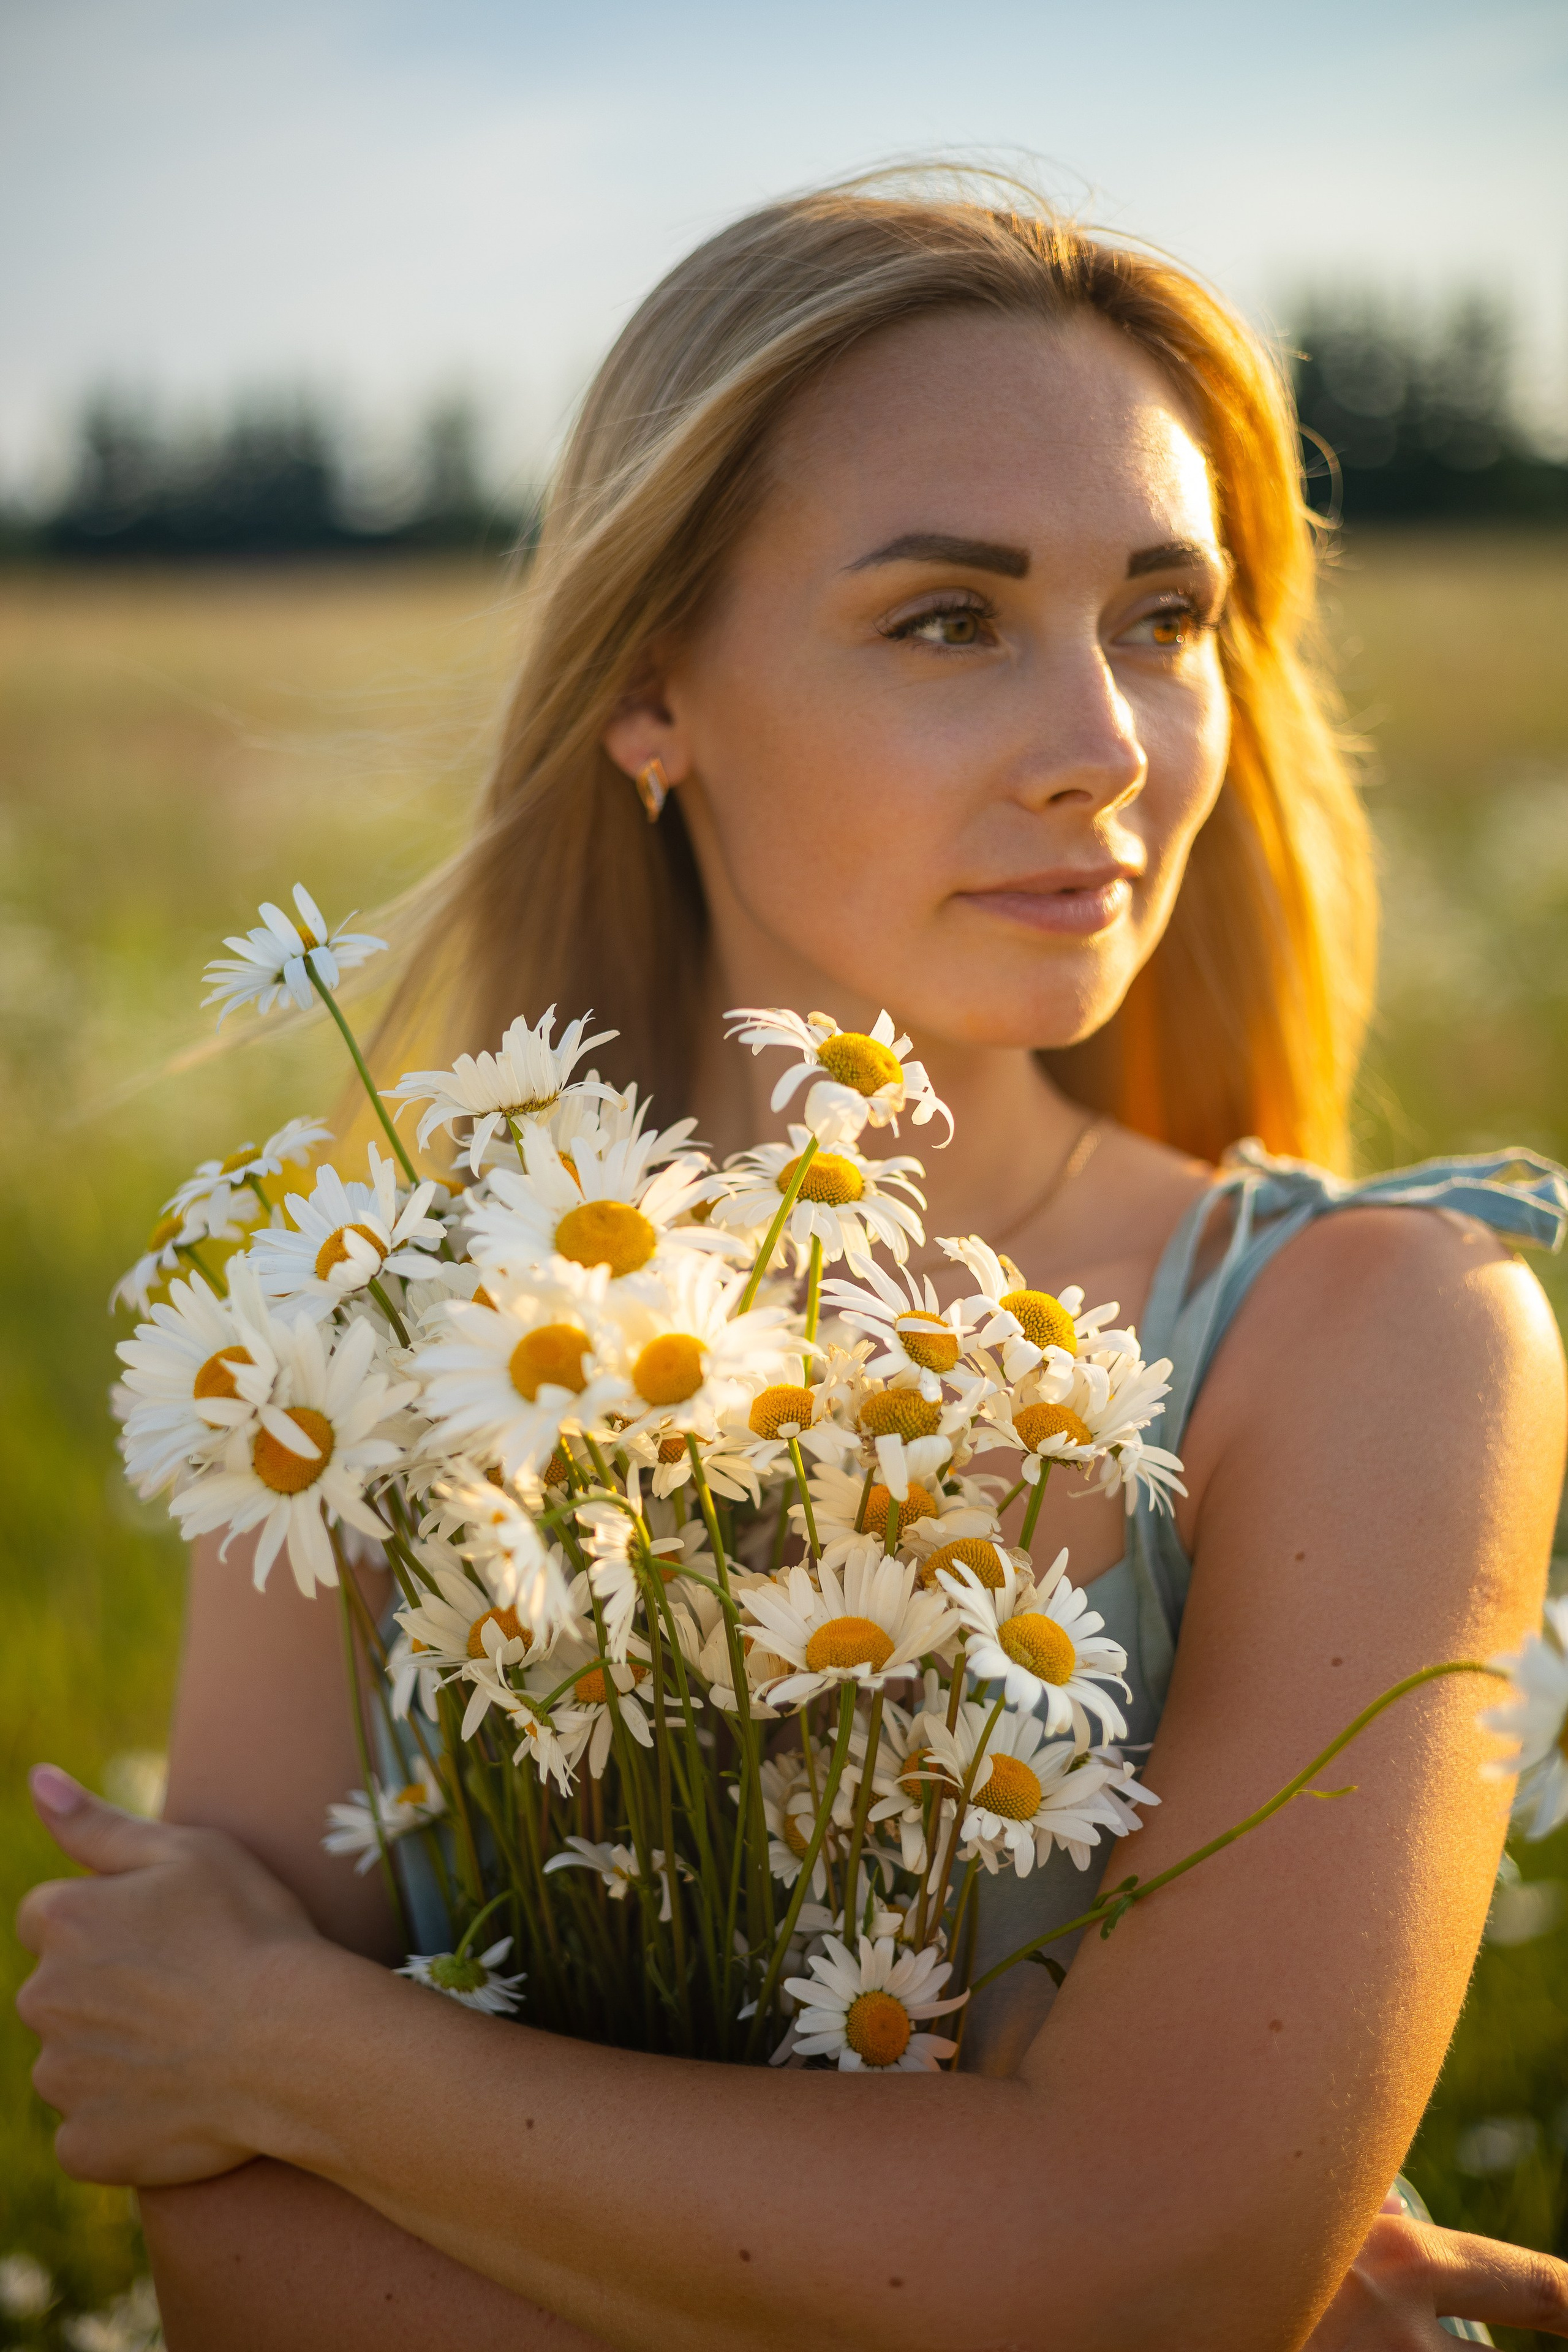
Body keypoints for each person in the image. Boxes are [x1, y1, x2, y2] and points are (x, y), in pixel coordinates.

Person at [17, 173, 1568, 2352]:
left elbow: (1145, 2263)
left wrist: (298, 2053)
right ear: (652, 690)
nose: (1108, 749)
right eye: (950, 618)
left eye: (1162, 615)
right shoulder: (361, 1350)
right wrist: (1014, 2258)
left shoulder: (1376, 1340)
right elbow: (249, 2277)